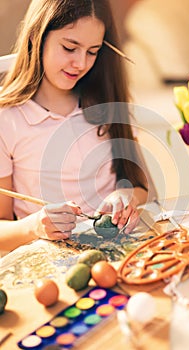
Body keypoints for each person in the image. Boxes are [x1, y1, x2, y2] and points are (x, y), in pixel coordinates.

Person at [0, 0, 156, 253]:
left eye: (92, 51)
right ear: (37, 38)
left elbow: (140, 187)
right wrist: (34, 226)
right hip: (50, 257)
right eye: (69, 48)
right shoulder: (7, 118)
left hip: (120, 249)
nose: (81, 64)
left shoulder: (109, 101)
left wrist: (127, 197)